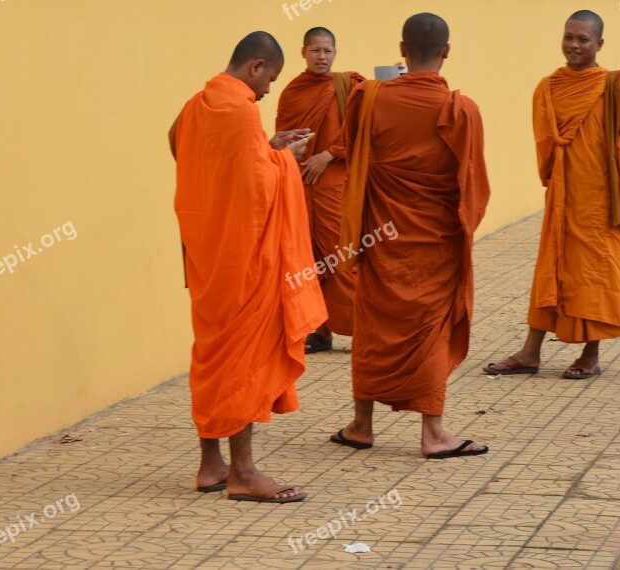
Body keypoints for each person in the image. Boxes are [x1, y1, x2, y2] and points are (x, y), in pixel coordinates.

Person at [171, 31, 326, 503]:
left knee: (211, 353)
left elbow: (181, 146)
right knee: (242, 358)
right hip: (244, 263)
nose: (268, 91)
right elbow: (259, 187)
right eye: (270, 79)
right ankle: (243, 472)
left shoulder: (198, 103)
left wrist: (265, 145)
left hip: (207, 253)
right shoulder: (241, 109)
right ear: (256, 66)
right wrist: (284, 157)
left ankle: (210, 465)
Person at [331, 13, 491, 459]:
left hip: (380, 239)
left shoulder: (368, 98)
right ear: (446, 52)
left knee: (373, 324)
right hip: (434, 244)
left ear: (401, 51)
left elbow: (353, 154)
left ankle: (361, 424)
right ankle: (433, 433)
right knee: (429, 328)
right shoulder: (462, 111)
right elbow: (474, 189)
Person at [484, 10, 620, 379]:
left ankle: (591, 353)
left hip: (603, 200)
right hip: (562, 196)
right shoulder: (549, 86)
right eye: (568, 37)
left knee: (596, 273)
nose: (573, 45)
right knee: (552, 268)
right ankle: (530, 352)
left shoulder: (616, 86)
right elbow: (545, 140)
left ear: (599, 44)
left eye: (583, 39)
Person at [275, 27, 366, 354]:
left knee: (339, 255)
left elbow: (361, 129)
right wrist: (296, 154)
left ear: (335, 53)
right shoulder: (293, 91)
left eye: (327, 51)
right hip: (299, 186)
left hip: (333, 184)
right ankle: (321, 331)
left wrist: (326, 156)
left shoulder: (348, 87)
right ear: (303, 53)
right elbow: (282, 136)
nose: (322, 57)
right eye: (315, 50)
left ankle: (364, 329)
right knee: (308, 259)